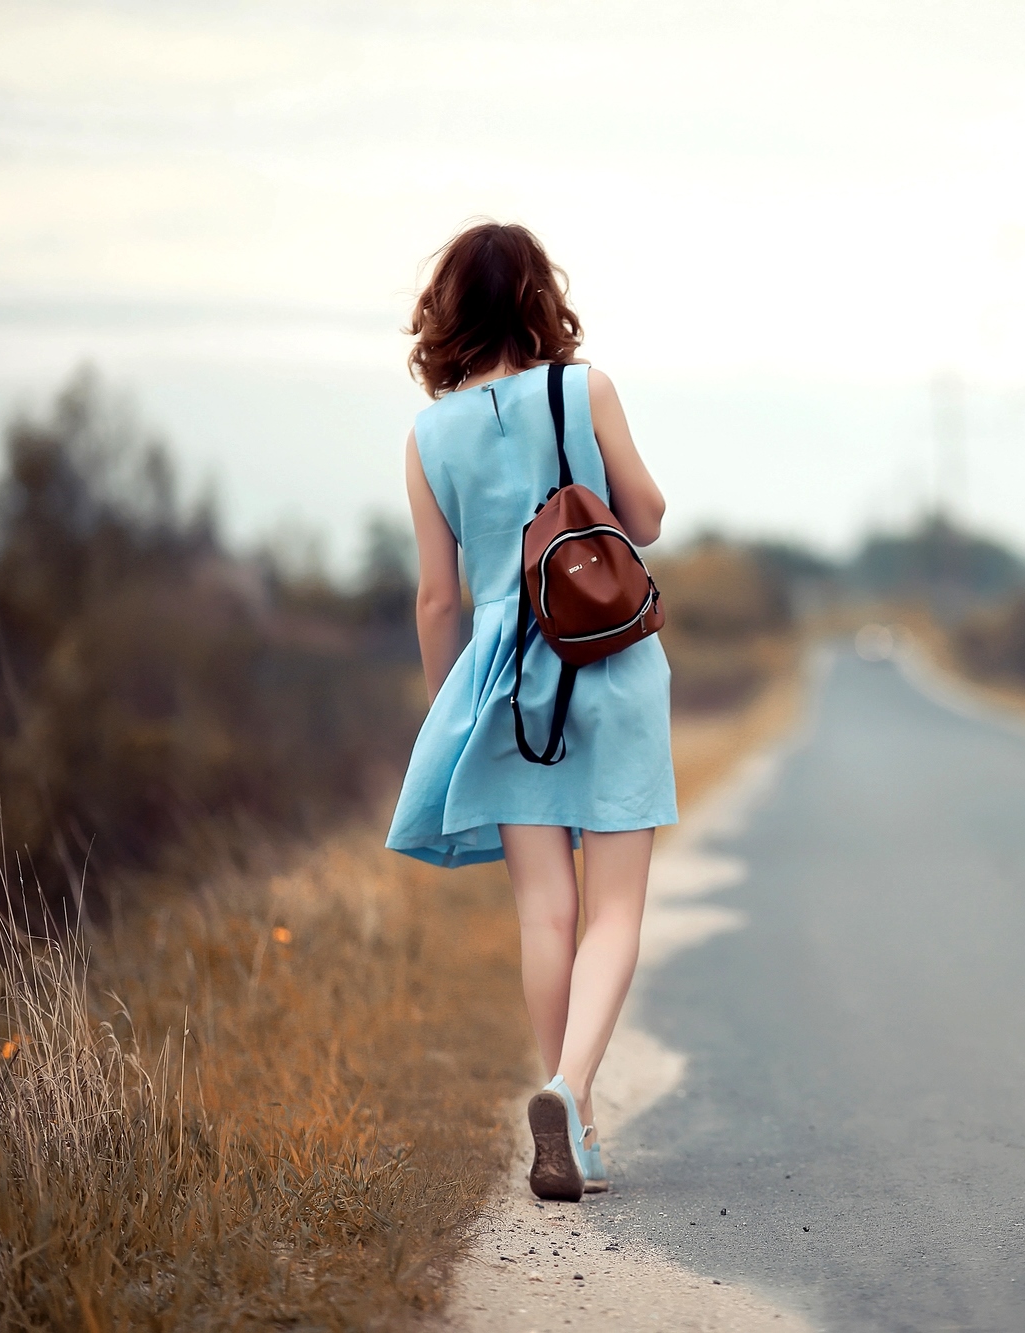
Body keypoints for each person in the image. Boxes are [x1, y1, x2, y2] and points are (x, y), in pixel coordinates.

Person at [385, 220, 676, 1202]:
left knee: (544, 913)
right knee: (617, 907)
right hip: (611, 664)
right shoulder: (582, 389)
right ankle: (569, 1093)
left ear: (449, 312)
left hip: (505, 686)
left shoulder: (427, 437)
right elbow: (643, 517)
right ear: (537, 299)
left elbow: (437, 601)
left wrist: (451, 712)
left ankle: (572, 1121)